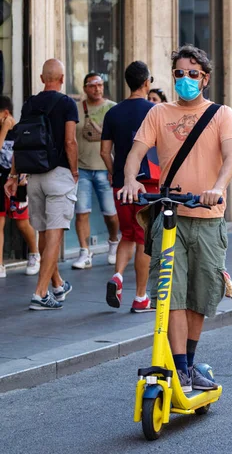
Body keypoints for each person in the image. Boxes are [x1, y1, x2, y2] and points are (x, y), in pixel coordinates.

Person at [119, 44, 232, 393]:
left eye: (192, 74)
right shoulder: (159, 113)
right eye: (179, 73)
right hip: (171, 216)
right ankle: (180, 369)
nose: (185, 79)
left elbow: (231, 157)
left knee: (201, 295)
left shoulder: (222, 114)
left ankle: (188, 361)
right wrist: (131, 179)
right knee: (169, 293)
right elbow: (135, 153)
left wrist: (217, 188)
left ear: (204, 78)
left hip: (207, 217)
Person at [5, 59, 79, 310]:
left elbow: (19, 142)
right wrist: (75, 171)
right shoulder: (68, 104)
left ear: (41, 78)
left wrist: (13, 176)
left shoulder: (30, 104)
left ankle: (57, 284)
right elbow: (70, 142)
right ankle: (40, 293)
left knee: (47, 234)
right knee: (55, 235)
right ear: (61, 78)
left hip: (33, 176)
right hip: (59, 175)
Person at [101, 62, 159, 313]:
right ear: (146, 82)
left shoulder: (112, 113)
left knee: (127, 234)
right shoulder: (156, 111)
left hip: (121, 185)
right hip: (148, 184)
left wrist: (117, 173)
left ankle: (118, 276)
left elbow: (104, 151)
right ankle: (140, 297)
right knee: (143, 239)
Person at [71, 73, 119, 270]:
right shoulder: (77, 109)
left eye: (100, 85)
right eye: (92, 85)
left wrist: (113, 169)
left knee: (111, 213)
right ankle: (84, 252)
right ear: (85, 88)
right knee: (82, 211)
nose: (97, 88)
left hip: (105, 169)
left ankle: (114, 242)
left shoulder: (112, 108)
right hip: (81, 169)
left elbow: (119, 140)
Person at [0, 96, 39, 278]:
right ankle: (0, 265)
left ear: (5, 114)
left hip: (19, 183)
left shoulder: (21, 131)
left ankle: (34, 253)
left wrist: (8, 128)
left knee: (22, 223)